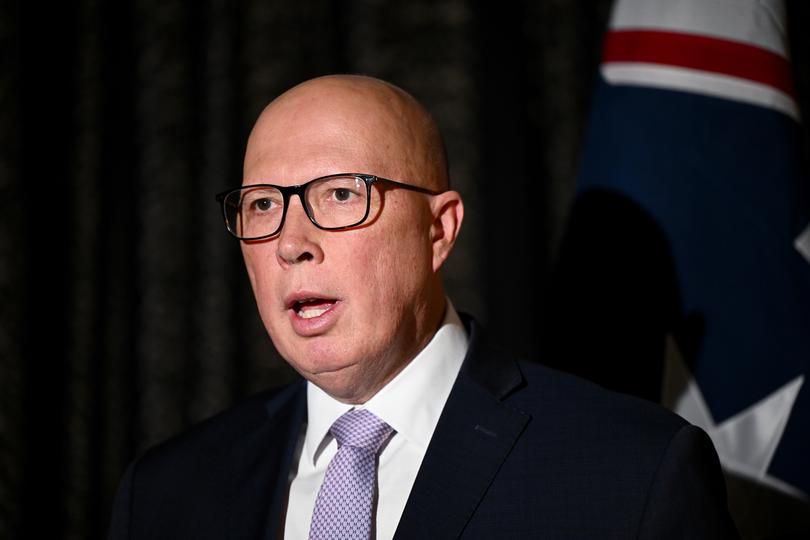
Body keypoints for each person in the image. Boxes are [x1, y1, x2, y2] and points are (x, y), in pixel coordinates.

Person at [108, 74, 739, 539]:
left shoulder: (633, 472)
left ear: (439, 230)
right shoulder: (166, 493)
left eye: (338, 195)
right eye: (264, 205)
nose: (292, 244)